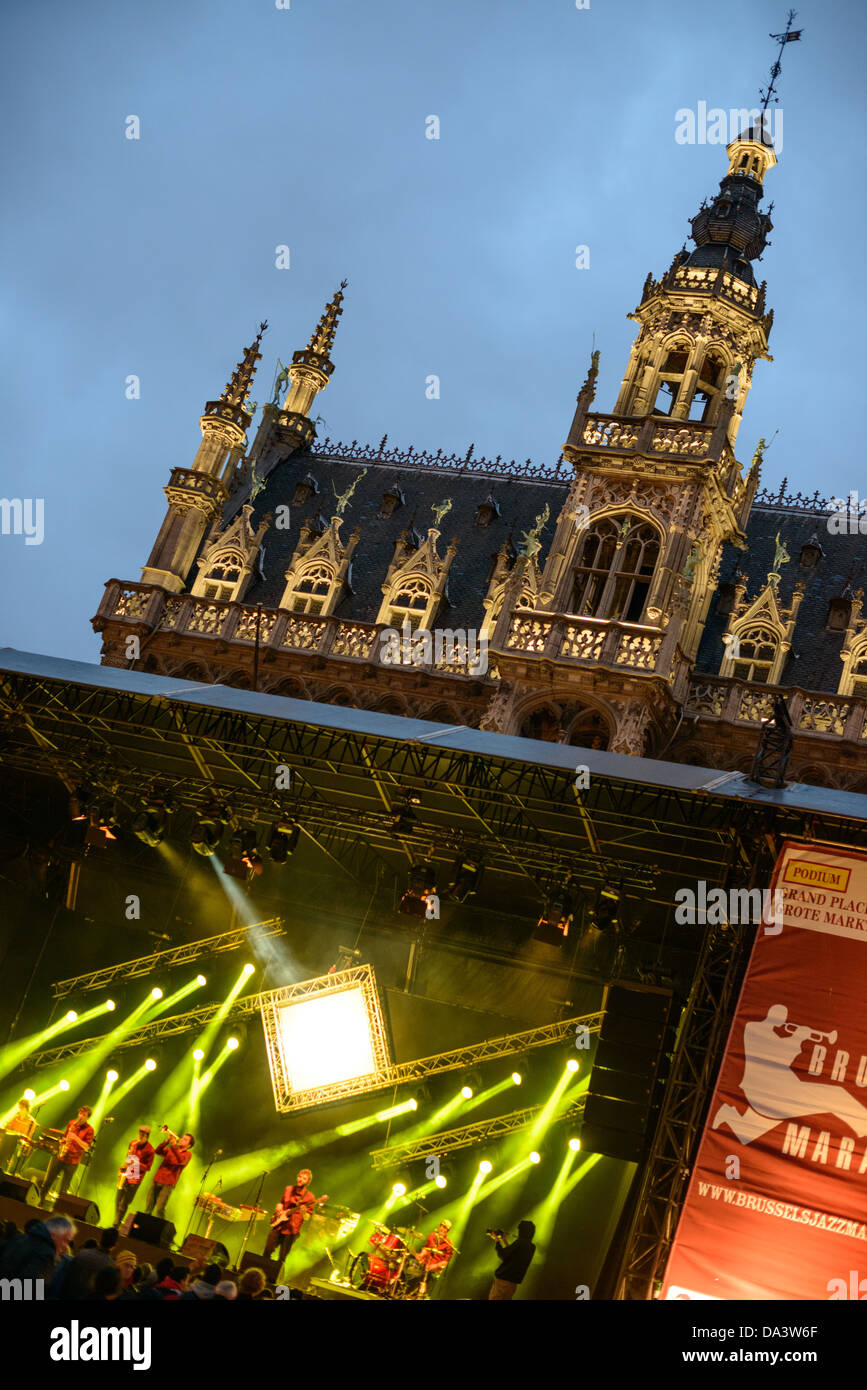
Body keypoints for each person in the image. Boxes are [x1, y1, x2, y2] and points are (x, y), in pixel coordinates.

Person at [262, 1168, 319, 1268]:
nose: (301, 1179)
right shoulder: (288, 1189)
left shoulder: (310, 1197)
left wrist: (303, 1211)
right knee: (267, 1250)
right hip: (279, 1225)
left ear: (308, 1182)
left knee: (282, 1258)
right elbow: (281, 1202)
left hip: (292, 1229)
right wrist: (279, 1206)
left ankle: (273, 1277)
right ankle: (263, 1270)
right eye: (300, 1177)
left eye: (304, 1178)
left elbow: (307, 1217)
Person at [38, 1106, 94, 1205]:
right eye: (80, 1113)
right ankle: (40, 1201)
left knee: (64, 1189)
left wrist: (75, 1138)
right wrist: (62, 1141)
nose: (80, 1116)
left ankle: (58, 1207)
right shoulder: (71, 1123)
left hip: (73, 1162)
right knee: (48, 1181)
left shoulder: (89, 1130)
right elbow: (65, 1137)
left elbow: (86, 1147)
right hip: (61, 1156)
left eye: (84, 1115)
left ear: (87, 1117)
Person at [0, 1215, 76, 1284]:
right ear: (53, 1235)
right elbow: (30, 1289)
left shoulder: (19, 1238)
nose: (66, 1246)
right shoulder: (46, 1254)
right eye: (66, 1240)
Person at [55, 1225, 119, 1299]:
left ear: (101, 1239)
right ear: (115, 1244)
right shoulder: (110, 1266)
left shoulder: (81, 1253)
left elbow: (65, 1277)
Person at [144, 1131, 194, 1217]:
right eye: (182, 1138)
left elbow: (181, 1161)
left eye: (185, 1140)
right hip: (158, 1179)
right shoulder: (171, 1149)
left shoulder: (188, 1154)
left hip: (168, 1183)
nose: (181, 1140)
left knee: (160, 1208)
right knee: (148, 1206)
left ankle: (159, 1228)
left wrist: (174, 1145)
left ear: (189, 1146)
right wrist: (166, 1141)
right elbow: (158, 1151)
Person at [114, 1125, 156, 1226]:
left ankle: (115, 1225)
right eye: (139, 1134)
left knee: (124, 1204)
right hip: (126, 1174)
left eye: (143, 1135)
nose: (140, 1137)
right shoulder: (133, 1143)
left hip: (135, 1178)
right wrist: (123, 1168)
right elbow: (128, 1158)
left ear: (147, 1136)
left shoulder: (150, 1150)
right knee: (117, 1201)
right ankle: (117, 1222)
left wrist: (136, 1163)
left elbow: (148, 1167)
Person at [488, 1219, 536, 1300]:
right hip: (512, 1283)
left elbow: (502, 1255)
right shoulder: (531, 1246)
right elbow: (512, 1255)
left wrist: (497, 1241)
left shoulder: (520, 1242)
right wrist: (504, 1240)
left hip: (503, 1280)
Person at [0, 1098, 37, 1174]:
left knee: (14, 1161)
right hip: (10, 1142)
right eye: (19, 1108)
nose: (19, 1110)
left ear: (26, 1108)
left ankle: (10, 1172)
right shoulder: (16, 1118)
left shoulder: (31, 1122)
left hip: (20, 1145)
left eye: (21, 1108)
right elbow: (8, 1130)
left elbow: (29, 1136)